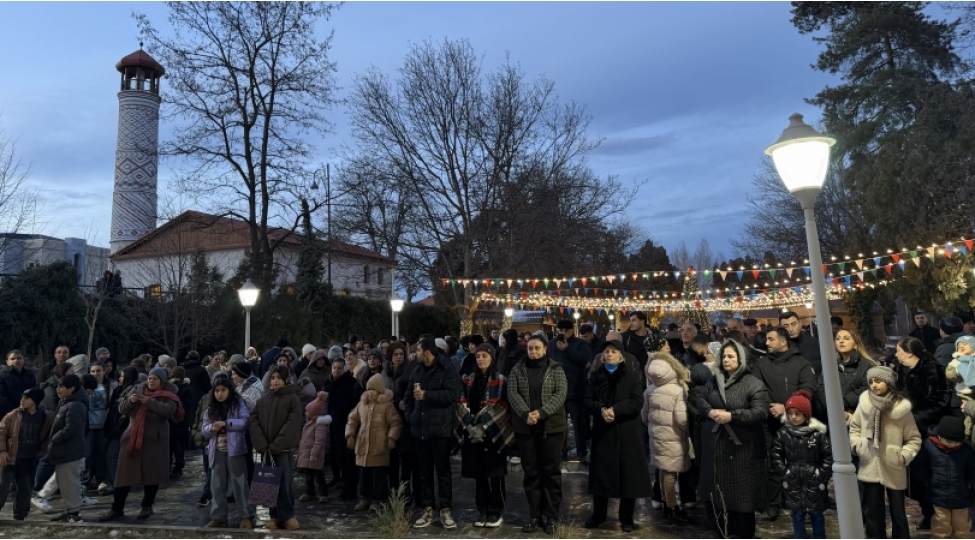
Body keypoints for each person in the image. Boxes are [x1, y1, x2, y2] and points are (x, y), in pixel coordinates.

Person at [697, 340, 770, 540]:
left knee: (742, 500)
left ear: (741, 359)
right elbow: (700, 400)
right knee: (718, 498)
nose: (726, 359)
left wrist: (732, 415)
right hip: (718, 448)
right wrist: (710, 412)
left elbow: (760, 412)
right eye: (723, 356)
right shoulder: (714, 381)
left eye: (731, 356)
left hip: (743, 451)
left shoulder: (753, 383)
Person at [583, 339, 653, 533]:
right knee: (601, 474)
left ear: (621, 355)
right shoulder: (596, 377)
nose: (610, 354)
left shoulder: (632, 376)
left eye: (614, 351)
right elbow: (587, 400)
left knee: (628, 475)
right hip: (603, 431)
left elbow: (637, 401)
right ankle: (599, 514)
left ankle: (626, 517)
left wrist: (615, 410)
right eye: (607, 352)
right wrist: (601, 409)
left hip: (626, 431)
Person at [98, 367, 183, 522]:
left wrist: (149, 402)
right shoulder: (137, 390)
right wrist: (131, 401)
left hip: (155, 439)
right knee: (123, 475)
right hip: (133, 436)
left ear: (162, 381)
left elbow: (168, 411)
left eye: (155, 379)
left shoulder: (169, 394)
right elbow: (121, 409)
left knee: (152, 475)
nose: (151, 381)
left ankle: (147, 505)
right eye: (150, 378)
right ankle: (117, 508)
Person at [752, 326, 818, 523]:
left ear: (783, 342)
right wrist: (770, 406)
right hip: (769, 421)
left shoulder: (801, 363)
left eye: (771, 339)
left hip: (795, 422)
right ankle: (773, 504)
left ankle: (803, 505)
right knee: (771, 464)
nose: (766, 343)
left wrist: (787, 407)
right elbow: (756, 388)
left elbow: (808, 389)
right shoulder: (762, 364)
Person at [849, 365, 921, 539]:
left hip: (894, 464)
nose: (874, 385)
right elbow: (855, 428)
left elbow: (914, 438)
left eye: (878, 381)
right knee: (872, 512)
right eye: (871, 381)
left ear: (888, 383)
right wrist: (858, 445)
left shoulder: (901, 409)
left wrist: (903, 455)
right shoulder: (864, 404)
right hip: (870, 463)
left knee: (898, 513)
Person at [508, 335, 568, 535]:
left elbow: (560, 394)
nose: (533, 352)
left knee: (551, 472)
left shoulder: (556, 369)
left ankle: (551, 515)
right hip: (526, 428)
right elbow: (513, 393)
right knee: (531, 472)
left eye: (537, 348)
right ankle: (534, 515)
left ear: (545, 349)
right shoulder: (517, 369)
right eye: (530, 348)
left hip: (551, 428)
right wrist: (526, 413)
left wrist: (541, 413)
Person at [404, 337, 462, 529]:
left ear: (427, 351)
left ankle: (445, 509)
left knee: (443, 471)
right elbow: (408, 397)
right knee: (424, 471)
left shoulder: (447, 368)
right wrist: (411, 416)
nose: (416, 354)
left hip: (440, 428)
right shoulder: (417, 370)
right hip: (420, 427)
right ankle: (428, 508)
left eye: (418, 350)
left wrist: (427, 395)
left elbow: (453, 394)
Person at [894, 336, 950, 529]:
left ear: (910, 353)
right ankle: (926, 509)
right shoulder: (901, 370)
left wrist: (915, 419)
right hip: (907, 431)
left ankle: (935, 514)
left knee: (927, 474)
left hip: (927, 431)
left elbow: (940, 401)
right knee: (914, 476)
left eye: (898, 351)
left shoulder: (933, 369)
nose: (895, 354)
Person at [456, 343, 512, 528]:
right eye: (478, 356)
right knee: (478, 474)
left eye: (484, 356)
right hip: (473, 433)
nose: (481, 359)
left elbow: (502, 405)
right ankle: (482, 510)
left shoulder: (501, 380)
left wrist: (485, 424)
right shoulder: (469, 379)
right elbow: (461, 401)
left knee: (495, 474)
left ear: (492, 358)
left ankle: (496, 511)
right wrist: (469, 423)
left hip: (493, 432)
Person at [769, 390, 832, 539]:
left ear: (806, 414)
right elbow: (776, 454)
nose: (793, 417)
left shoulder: (817, 434)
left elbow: (828, 456)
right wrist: (785, 473)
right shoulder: (783, 433)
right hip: (793, 481)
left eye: (797, 413)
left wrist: (821, 473)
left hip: (814, 481)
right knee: (797, 515)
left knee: (816, 514)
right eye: (790, 413)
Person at [250, 365, 303, 530]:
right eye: (273, 378)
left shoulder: (292, 399)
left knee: (285, 483)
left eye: (279, 378)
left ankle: (287, 515)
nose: (275, 381)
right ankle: (273, 516)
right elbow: (254, 420)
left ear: (286, 379)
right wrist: (261, 443)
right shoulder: (264, 399)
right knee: (268, 482)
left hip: (283, 449)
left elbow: (292, 424)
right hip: (266, 449)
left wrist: (276, 444)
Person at [641, 350, 690, 523]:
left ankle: (664, 500)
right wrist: (687, 431)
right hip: (674, 437)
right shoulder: (677, 391)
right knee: (670, 473)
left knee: (662, 470)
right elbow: (682, 419)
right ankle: (672, 506)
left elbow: (644, 416)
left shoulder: (649, 390)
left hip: (656, 436)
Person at [201, 377, 255, 529]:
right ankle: (218, 517)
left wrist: (227, 423)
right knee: (217, 485)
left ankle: (246, 515)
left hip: (235, 450)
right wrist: (212, 428)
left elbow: (245, 421)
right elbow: (204, 429)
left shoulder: (237, 404)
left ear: (229, 390)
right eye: (217, 391)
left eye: (223, 390)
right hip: (216, 450)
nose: (219, 394)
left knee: (239, 484)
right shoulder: (211, 408)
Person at [347, 373, 402, 513]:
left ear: (379, 390)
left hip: (379, 446)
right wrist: (350, 435)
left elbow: (395, 423)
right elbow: (352, 420)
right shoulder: (362, 404)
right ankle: (365, 498)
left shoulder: (387, 405)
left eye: (373, 389)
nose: (370, 392)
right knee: (364, 475)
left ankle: (378, 500)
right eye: (369, 389)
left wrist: (391, 438)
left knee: (378, 476)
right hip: (363, 445)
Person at [913, 416, 975, 540]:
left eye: (957, 442)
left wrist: (970, 484)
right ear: (940, 437)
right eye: (949, 442)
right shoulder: (928, 446)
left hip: (961, 495)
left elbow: (972, 469)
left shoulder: (966, 450)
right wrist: (926, 482)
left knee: (962, 525)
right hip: (938, 494)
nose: (953, 445)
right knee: (941, 525)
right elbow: (920, 466)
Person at [0, 388, 53, 520]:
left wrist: (42, 450)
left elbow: (48, 435)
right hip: (11, 458)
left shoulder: (45, 416)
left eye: (26, 398)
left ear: (35, 401)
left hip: (29, 458)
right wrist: (2, 451)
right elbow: (1, 432)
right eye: (22, 397)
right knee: (3, 486)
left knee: (25, 488)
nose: (22, 400)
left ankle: (20, 515)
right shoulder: (14, 415)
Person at [47, 374, 89, 523]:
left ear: (72, 388)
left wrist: (54, 439)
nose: (58, 389)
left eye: (62, 387)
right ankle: (71, 511)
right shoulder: (65, 402)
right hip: (63, 450)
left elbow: (71, 428)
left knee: (70, 483)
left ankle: (75, 515)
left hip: (70, 451)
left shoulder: (75, 405)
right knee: (64, 483)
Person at [549, 319, 590, 462]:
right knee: (559, 423)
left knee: (578, 422)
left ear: (572, 331)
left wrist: (567, 350)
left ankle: (581, 451)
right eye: (561, 331)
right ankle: (561, 452)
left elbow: (583, 360)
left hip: (575, 388)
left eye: (566, 331)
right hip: (557, 389)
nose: (563, 333)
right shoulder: (551, 344)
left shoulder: (580, 344)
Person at [323, 357, 361, 499]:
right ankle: (337, 479)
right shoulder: (328, 383)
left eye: (340, 368)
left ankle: (349, 487)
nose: (336, 370)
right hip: (331, 425)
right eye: (334, 368)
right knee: (335, 455)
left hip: (345, 424)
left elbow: (356, 403)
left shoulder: (351, 383)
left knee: (347, 458)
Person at [385, 342, 415, 500]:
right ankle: (393, 489)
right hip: (388, 418)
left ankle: (405, 490)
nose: (398, 357)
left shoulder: (408, 372)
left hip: (403, 417)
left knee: (406, 454)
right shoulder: (385, 372)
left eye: (401, 354)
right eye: (395, 354)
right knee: (392, 456)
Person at [103, 367, 139, 497]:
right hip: (114, 427)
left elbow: (125, 410)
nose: (120, 378)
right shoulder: (121, 389)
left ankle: (115, 485)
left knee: (112, 456)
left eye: (122, 376)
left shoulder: (133, 390)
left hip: (121, 428)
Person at [297, 391, 331, 504]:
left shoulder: (319, 425)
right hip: (307, 454)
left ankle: (323, 493)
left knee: (318, 475)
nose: (305, 413)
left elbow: (319, 442)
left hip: (314, 455)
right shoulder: (309, 423)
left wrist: (313, 454)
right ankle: (309, 493)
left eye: (307, 411)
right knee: (308, 475)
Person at [835, 329, 876, 420]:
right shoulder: (830, 365)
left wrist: (845, 402)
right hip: (834, 415)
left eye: (846, 338)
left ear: (855, 345)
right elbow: (821, 387)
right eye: (838, 339)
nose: (841, 341)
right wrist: (829, 406)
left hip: (859, 416)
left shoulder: (867, 365)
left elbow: (867, 388)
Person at [169, 366, 193, 480]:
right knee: (179, 447)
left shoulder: (168, 388)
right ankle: (178, 468)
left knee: (169, 447)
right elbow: (188, 405)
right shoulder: (187, 389)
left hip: (169, 421)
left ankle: (168, 467)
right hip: (181, 422)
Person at [0, 350, 38, 421]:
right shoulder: (2, 375)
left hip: (27, 413)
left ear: (23, 360)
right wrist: (17, 409)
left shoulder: (29, 375)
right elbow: (1, 397)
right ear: (7, 361)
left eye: (19, 358)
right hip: (6, 414)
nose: (16, 361)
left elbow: (35, 393)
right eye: (12, 359)